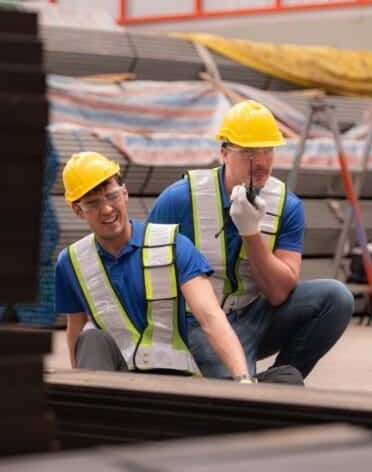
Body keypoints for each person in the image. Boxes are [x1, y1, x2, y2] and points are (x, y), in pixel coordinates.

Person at [147, 99, 354, 380]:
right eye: (249, 152)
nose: (262, 162)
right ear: (224, 152)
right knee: (235, 391)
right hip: (198, 323)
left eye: (268, 150)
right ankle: (256, 384)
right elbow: (146, 277)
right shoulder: (179, 199)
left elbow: (279, 292)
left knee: (336, 298)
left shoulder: (287, 206)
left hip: (252, 315)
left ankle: (279, 379)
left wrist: (251, 232)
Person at [54, 151, 254, 382]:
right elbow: (75, 332)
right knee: (91, 339)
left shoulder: (173, 246)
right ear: (77, 210)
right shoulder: (70, 262)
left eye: (112, 196)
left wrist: (242, 377)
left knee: (282, 378)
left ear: (125, 193)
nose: (107, 209)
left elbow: (210, 317)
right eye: (93, 203)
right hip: (117, 380)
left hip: (174, 380)